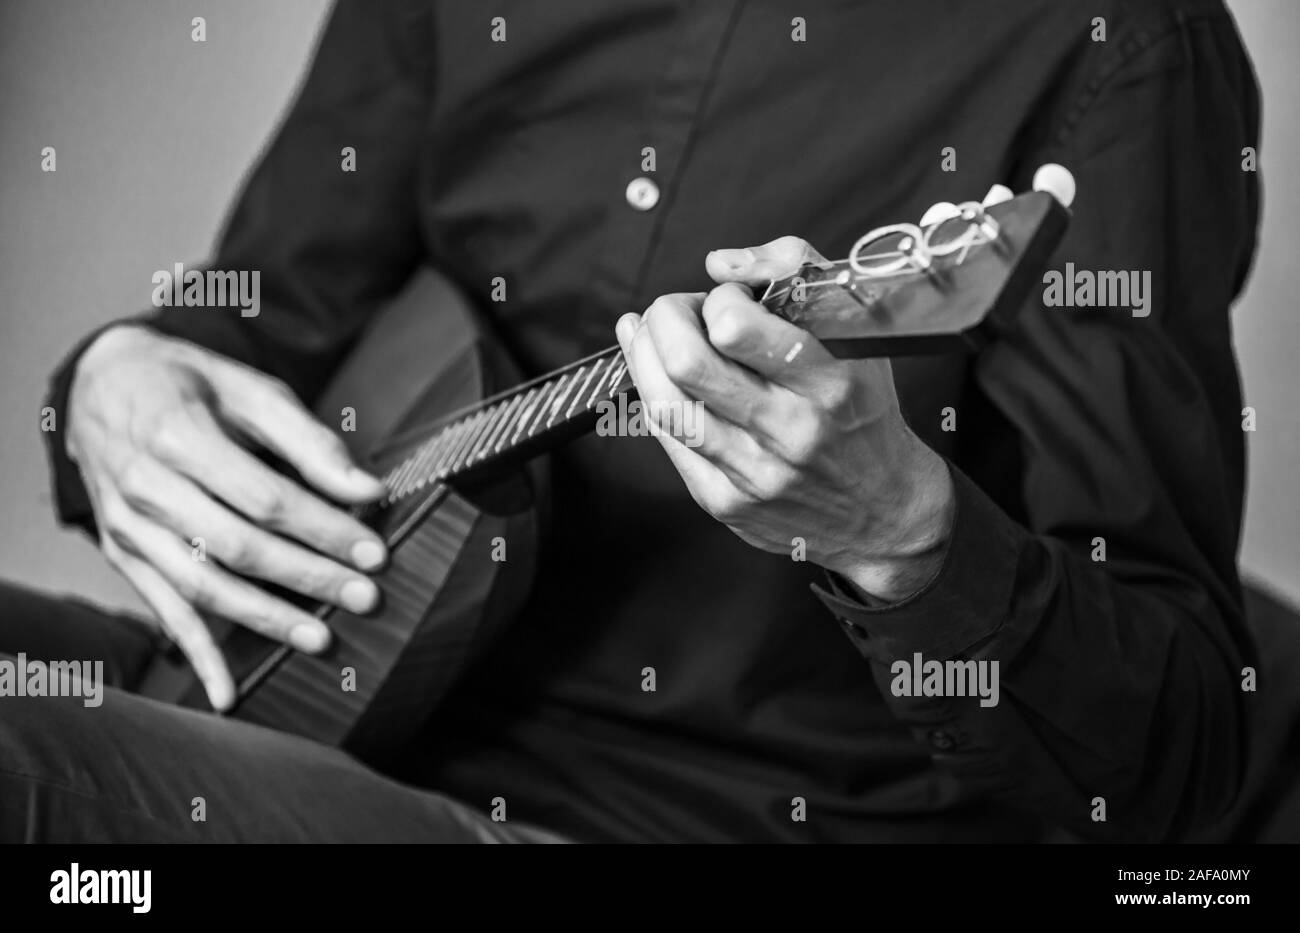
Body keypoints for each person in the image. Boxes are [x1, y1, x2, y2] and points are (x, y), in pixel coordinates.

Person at [1, 0, 1263, 842]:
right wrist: (112, 379)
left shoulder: (1114, 45)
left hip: (672, 818)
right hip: (302, 678)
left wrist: (903, 535)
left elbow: (1180, 757)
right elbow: (263, 318)